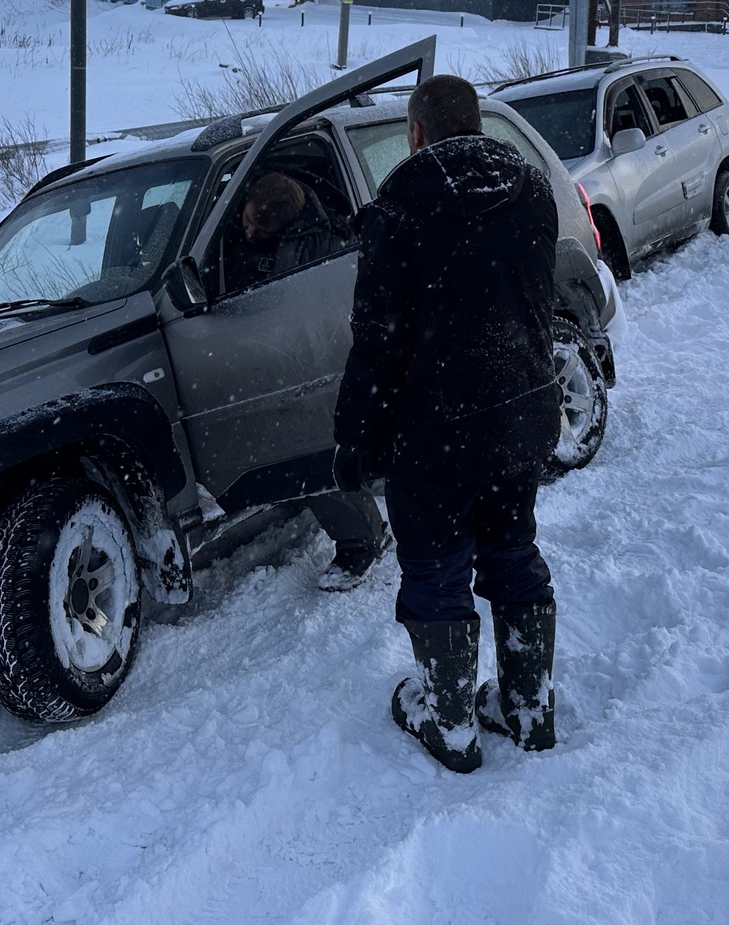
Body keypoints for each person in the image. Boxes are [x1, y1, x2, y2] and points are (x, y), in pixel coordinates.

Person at [332, 73, 561, 773]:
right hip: (520, 415)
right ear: (479, 128)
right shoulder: (533, 193)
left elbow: (376, 340)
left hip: (434, 432)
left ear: (416, 132)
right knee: (512, 551)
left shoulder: (399, 210)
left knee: (436, 565)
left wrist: (353, 436)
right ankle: (528, 709)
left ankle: (452, 721)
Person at [228, 172, 384, 590]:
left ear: (280, 223)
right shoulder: (270, 239)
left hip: (316, 356)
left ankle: (362, 540)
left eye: (255, 228)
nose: (247, 233)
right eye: (245, 222)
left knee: (312, 449)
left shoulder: (318, 242)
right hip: (278, 354)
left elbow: (303, 307)